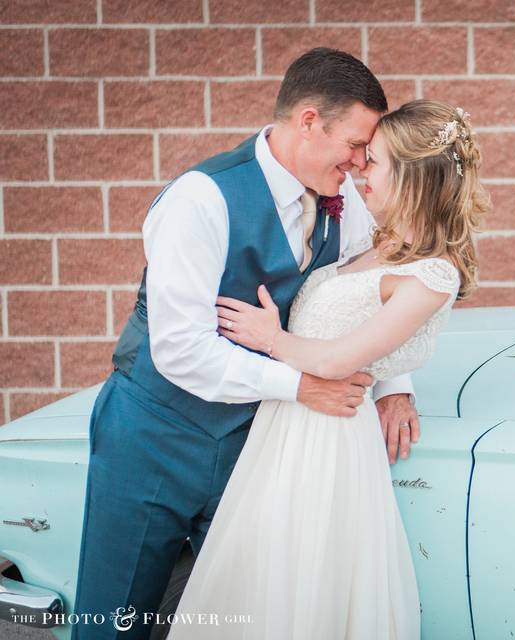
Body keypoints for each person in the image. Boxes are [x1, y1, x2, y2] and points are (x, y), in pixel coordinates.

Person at [72, 48, 421, 640]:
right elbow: (179, 348)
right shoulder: (200, 199)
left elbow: (370, 298)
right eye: (357, 144)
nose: (362, 163)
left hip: (258, 443)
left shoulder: (348, 205)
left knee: (244, 617)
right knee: (114, 617)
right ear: (309, 121)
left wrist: (395, 388)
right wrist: (302, 385)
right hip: (154, 434)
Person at [166, 100, 487, 638]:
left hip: (329, 438)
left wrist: (273, 339)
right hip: (284, 428)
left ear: (411, 176)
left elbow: (342, 358)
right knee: (265, 579)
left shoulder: (433, 273)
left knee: (308, 581)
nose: (360, 168)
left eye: (375, 161)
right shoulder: (374, 243)